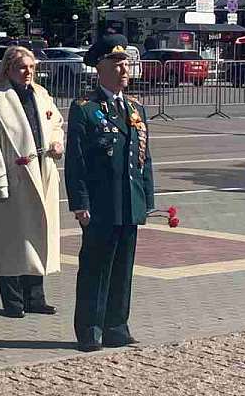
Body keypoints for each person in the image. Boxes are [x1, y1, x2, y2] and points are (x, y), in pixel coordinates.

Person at [65, 33, 155, 352]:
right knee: (95, 268)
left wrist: (147, 198)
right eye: (116, 63)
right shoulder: (85, 109)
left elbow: (144, 158)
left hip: (129, 202)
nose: (123, 69)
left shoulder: (135, 109)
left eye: (125, 62)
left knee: (122, 268)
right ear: (99, 68)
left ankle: (117, 325)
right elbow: (76, 162)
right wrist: (80, 203)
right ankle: (90, 328)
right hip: (101, 204)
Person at [0, 46, 64, 318]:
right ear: (8, 69)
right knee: (13, 241)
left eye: (31, 67)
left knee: (38, 235)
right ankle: (13, 300)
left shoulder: (41, 94)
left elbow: (56, 124)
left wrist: (56, 143)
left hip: (43, 172)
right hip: (15, 177)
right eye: (21, 67)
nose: (27, 72)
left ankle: (36, 296)